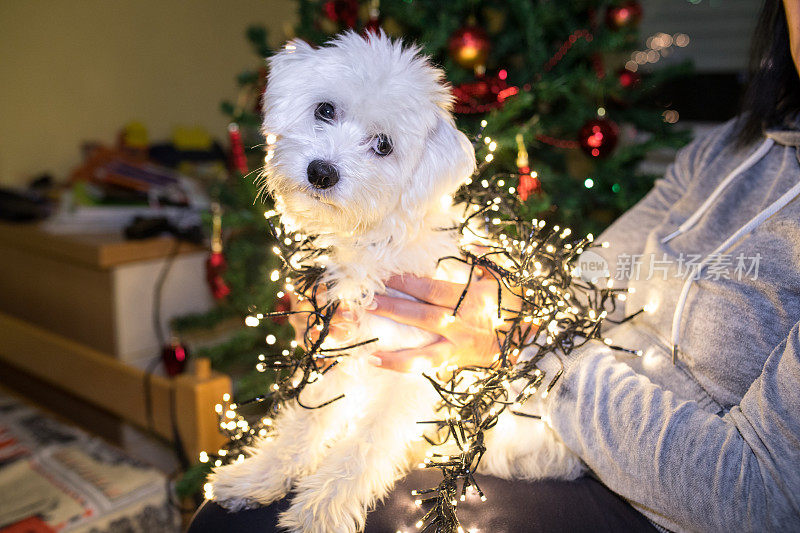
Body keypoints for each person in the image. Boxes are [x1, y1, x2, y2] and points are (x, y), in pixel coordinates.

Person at [189, 0, 800, 530]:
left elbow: (766, 503)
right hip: (544, 408)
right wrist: (486, 304)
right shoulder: (724, 149)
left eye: (379, 143)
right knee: (225, 518)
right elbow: (587, 285)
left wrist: (519, 345)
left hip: (648, 492)